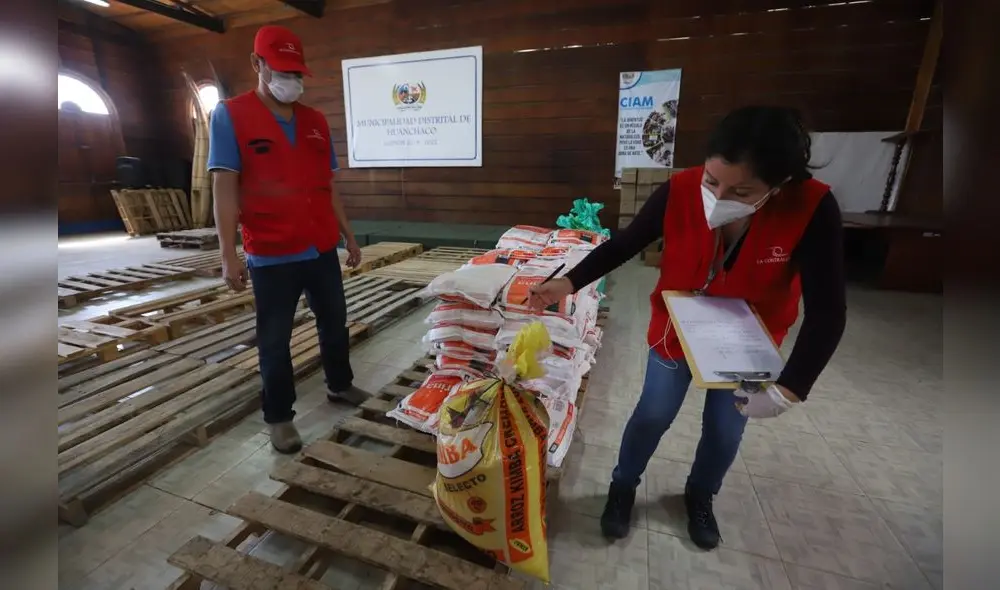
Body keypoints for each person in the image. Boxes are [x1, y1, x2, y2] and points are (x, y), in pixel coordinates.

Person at [528, 106, 847, 550]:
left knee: (724, 429)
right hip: (677, 326)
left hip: (746, 340)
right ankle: (623, 485)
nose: (719, 197)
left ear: (780, 184)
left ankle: (700, 494)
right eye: (712, 181)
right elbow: (626, 243)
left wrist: (790, 388)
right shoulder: (680, 189)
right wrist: (568, 281)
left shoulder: (812, 207)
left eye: (741, 191)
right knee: (653, 412)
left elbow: (828, 310)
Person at [208, 25, 369, 455]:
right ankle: (279, 417)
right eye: (281, 71)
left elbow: (327, 186)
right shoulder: (231, 114)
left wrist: (349, 236)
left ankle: (340, 385)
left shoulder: (315, 121)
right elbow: (224, 186)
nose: (291, 80)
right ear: (256, 64)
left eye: (297, 73)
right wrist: (228, 254)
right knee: (275, 338)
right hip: (272, 251)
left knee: (334, 321)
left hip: (320, 246)